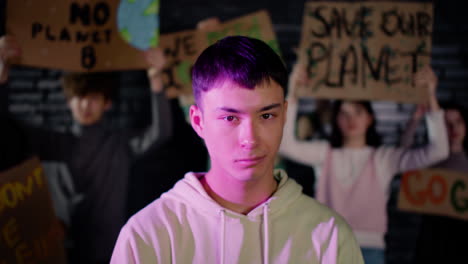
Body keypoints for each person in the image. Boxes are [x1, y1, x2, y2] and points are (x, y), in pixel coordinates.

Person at [110, 36, 364, 264]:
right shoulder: (148, 235)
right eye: (230, 118)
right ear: (199, 122)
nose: (250, 139)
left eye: (266, 115)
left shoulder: (329, 236)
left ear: (284, 115)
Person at [0, 35, 173, 264]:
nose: (84, 105)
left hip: (111, 252)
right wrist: (1, 77)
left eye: (92, 98)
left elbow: (160, 133)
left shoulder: (118, 143)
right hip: (56, 253)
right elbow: (6, 133)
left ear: (106, 102)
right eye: (79, 97)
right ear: (68, 99)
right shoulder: (51, 142)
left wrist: (156, 78)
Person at [279, 65, 449, 264]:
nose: (351, 119)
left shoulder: (383, 158)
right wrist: (293, 91)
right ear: (336, 120)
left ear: (369, 118)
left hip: (369, 252)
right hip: (328, 249)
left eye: (357, 111)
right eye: (344, 113)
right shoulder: (325, 154)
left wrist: (430, 97)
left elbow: (439, 151)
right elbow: (284, 145)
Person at [401, 101, 468, 263]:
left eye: (458, 122)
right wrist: (416, 117)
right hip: (432, 236)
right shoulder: (429, 157)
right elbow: (402, 153)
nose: (453, 129)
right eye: (447, 123)